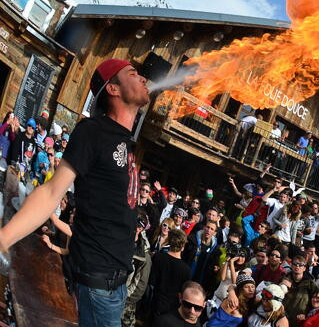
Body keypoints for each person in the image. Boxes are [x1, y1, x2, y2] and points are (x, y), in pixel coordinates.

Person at [0, 58, 150, 327]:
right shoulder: (93, 131)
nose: (143, 78)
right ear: (113, 88)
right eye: (132, 73)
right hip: (97, 284)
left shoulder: (124, 139)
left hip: (116, 285)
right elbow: (51, 192)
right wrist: (3, 239)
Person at [150, 228, 193, 318]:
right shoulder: (186, 270)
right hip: (172, 310)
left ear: (169, 242)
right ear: (183, 247)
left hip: (154, 303)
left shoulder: (158, 257)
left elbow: (151, 281)